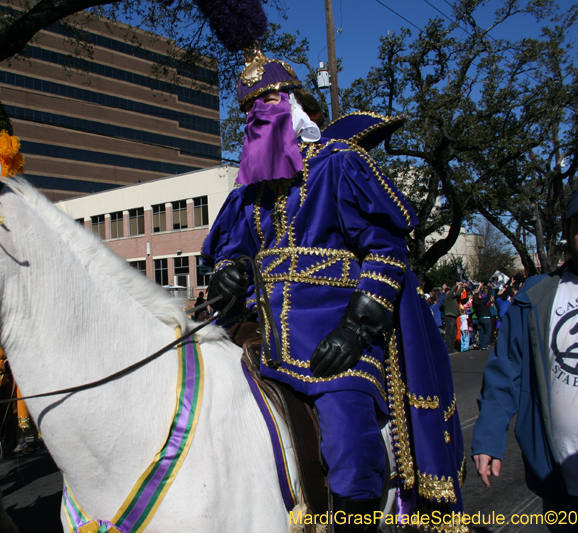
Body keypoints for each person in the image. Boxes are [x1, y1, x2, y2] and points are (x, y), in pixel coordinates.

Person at [203, 49, 464, 530]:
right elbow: (228, 253)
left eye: (272, 102)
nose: (261, 118)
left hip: (338, 342)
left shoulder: (338, 165)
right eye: (249, 112)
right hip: (265, 341)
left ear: (297, 105)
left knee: (348, 441)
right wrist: (229, 273)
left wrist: (355, 327)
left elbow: (385, 252)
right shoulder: (247, 192)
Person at [472, 174, 578, 531]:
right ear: (568, 230)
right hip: (557, 479)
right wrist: (488, 437)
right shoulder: (535, 294)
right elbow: (504, 372)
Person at [443, 282, 464, 352]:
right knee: (449, 333)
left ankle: (451, 347)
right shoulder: (447, 298)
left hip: (454, 317)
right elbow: (452, 292)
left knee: (453, 333)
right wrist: (456, 286)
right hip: (449, 316)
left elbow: (457, 294)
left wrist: (461, 288)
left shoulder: (453, 299)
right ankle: (449, 348)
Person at [472, 282, 493, 350]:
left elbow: (475, 296)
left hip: (480, 318)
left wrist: (479, 288)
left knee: (482, 332)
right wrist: (490, 288)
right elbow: (488, 296)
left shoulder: (474, 303)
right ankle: (485, 345)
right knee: (487, 332)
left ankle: (481, 345)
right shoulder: (482, 302)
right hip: (486, 317)